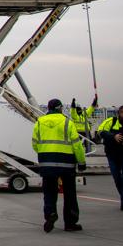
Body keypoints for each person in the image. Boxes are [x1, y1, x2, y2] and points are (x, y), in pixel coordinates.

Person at [32, 98, 87, 232]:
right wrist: (81, 162)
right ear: (60, 108)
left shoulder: (39, 122)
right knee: (69, 194)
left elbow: (35, 143)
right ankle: (70, 223)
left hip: (47, 162)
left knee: (49, 192)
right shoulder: (67, 122)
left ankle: (50, 214)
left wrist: (45, 153)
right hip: (66, 163)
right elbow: (77, 145)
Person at [97, 105, 123, 211]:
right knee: (117, 178)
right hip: (112, 155)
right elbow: (100, 131)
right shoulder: (111, 121)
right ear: (119, 113)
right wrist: (113, 136)